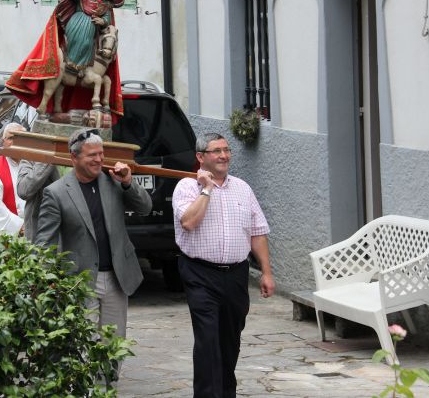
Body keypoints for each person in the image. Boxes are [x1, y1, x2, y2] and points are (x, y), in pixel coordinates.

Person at [172, 133, 275, 398]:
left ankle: (226, 393)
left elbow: (257, 232)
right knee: (207, 341)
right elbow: (189, 222)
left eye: (227, 150)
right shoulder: (186, 187)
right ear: (200, 157)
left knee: (230, 341)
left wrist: (266, 272)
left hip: (236, 275)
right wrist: (206, 189)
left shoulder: (242, 187)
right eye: (216, 151)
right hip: (200, 274)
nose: (224, 156)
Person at [36, 129, 152, 344]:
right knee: (84, 345)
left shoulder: (114, 180)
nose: (99, 159)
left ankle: (110, 380)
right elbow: (45, 241)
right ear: (74, 157)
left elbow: (145, 207)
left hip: (117, 276)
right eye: (92, 155)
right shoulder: (56, 192)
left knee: (114, 342)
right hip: (80, 279)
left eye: (101, 154)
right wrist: (45, 281)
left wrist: (128, 182)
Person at [5, 0, 125, 121]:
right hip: (76, 26)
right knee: (75, 43)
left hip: (91, 34)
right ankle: (69, 68)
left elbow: (108, 22)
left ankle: (82, 74)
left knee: (89, 46)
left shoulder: (106, 5)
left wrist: (101, 21)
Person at [0, 123, 26, 236]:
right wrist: (20, 226)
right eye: (11, 138)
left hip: (34, 227)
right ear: (3, 141)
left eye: (20, 138)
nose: (15, 142)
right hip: (11, 231)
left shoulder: (33, 165)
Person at [17, 160, 61, 242]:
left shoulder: (80, 157)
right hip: (42, 236)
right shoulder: (31, 159)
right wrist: (47, 159)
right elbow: (23, 190)